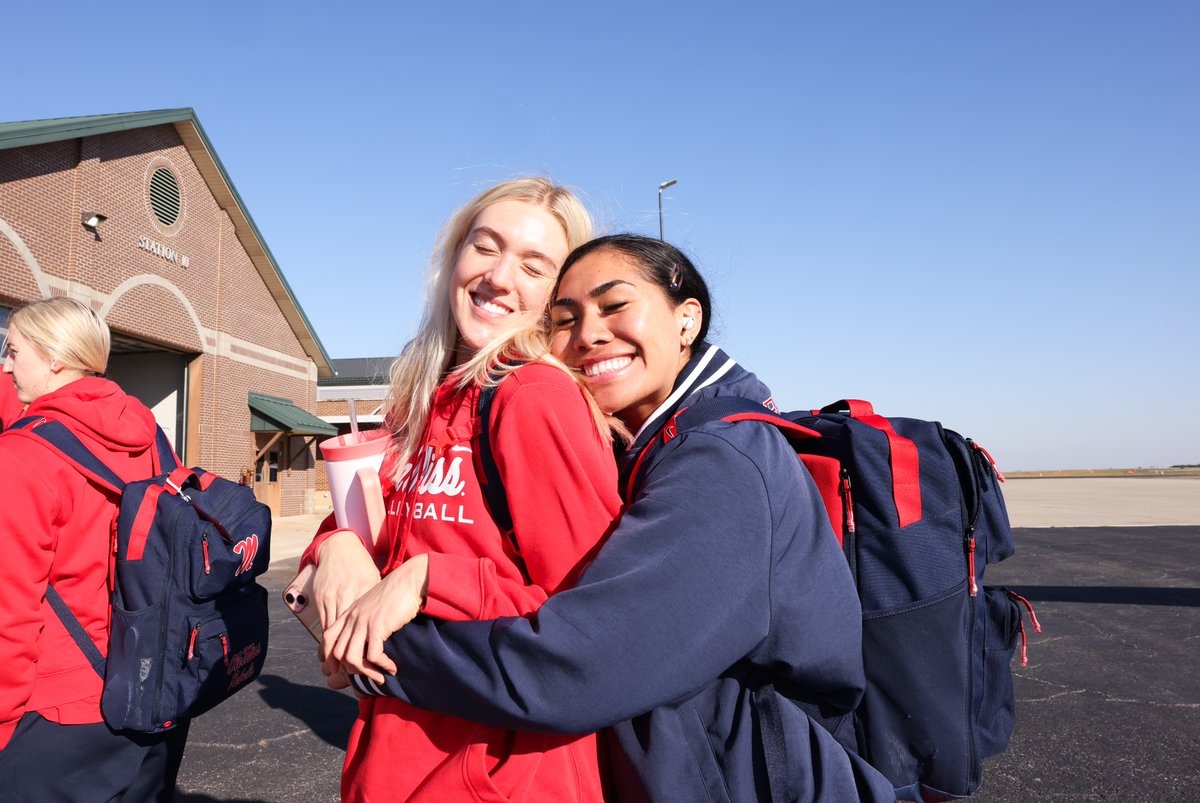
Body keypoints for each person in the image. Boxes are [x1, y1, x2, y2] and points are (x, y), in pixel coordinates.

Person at [326, 235, 898, 801]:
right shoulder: (652, 447)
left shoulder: (721, 463)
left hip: (748, 781)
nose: (588, 334)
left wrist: (374, 653)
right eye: (564, 319)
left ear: (686, 320)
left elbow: (577, 667)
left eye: (615, 305)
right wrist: (333, 547)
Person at [299, 179, 623, 801]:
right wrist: (336, 544)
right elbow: (378, 530)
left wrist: (428, 578)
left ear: (559, 297)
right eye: (486, 247)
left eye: (534, 265)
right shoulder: (422, 402)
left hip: (502, 772)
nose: (499, 277)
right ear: (454, 258)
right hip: (395, 747)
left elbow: (591, 615)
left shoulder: (534, 398)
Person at [0, 297, 189, 801]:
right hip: (151, 690)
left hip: (55, 717)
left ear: (54, 358)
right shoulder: (149, 437)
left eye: (14, 351)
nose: (7, 364)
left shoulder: (22, 458)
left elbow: (10, 614)